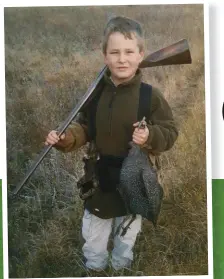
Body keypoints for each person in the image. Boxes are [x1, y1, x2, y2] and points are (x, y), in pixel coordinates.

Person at [45, 16, 178, 272]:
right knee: (94, 234)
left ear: (141, 55)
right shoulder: (95, 94)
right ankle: (94, 269)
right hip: (100, 179)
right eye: (114, 52)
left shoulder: (150, 96)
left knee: (126, 234)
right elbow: (84, 127)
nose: (122, 59)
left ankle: (121, 269)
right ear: (104, 55)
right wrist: (65, 138)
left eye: (129, 52)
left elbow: (170, 132)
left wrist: (149, 136)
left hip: (135, 179)